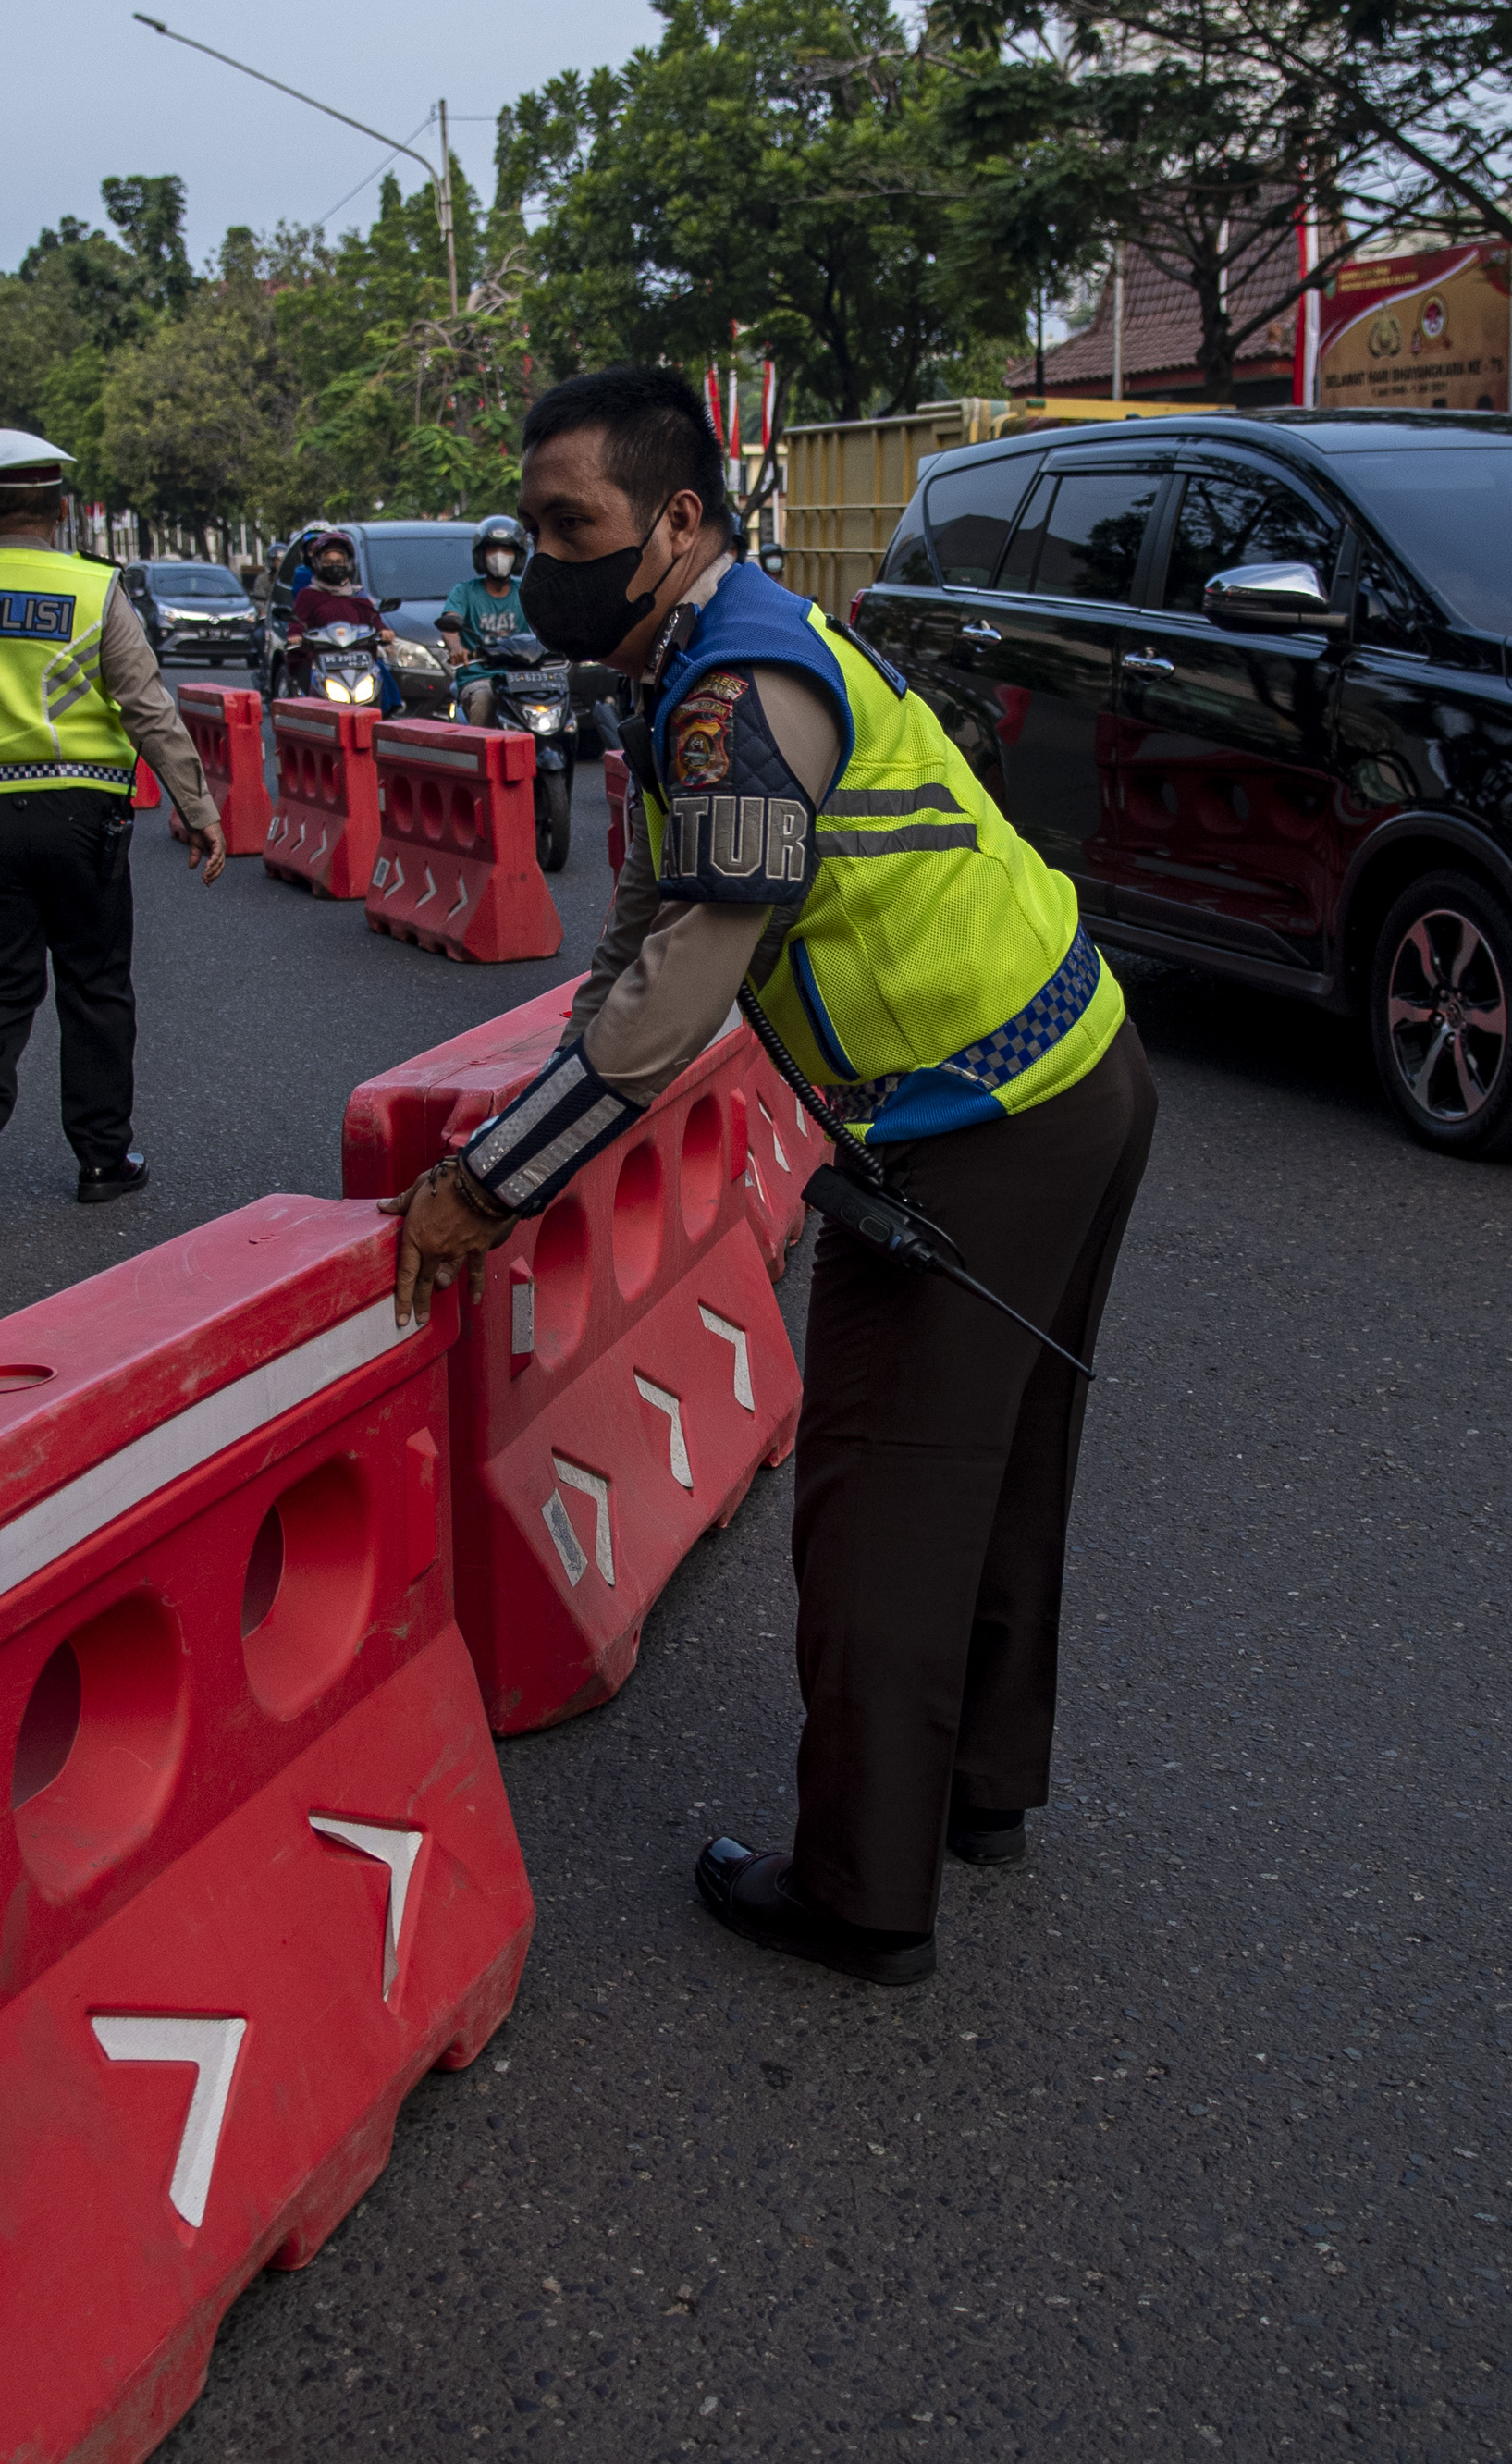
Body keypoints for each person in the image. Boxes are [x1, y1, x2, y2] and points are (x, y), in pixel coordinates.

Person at [382, 364, 1159, 1988]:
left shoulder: (736, 686)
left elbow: (677, 1001)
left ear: (677, 518)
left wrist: (486, 1185)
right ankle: (979, 1790)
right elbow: (639, 942)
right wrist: (548, 1088)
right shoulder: (698, 661)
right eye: (527, 531)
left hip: (984, 1119)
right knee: (1000, 1462)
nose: (542, 560)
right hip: (1068, 1065)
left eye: (570, 523)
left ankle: (864, 1887)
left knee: (876, 1501)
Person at [0, 426, 225, 1239]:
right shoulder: (93, 590)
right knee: (95, 986)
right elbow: (148, 706)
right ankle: (104, 1162)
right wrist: (199, 807)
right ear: (61, 509)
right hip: (85, 813)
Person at [284, 531, 400, 711]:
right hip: (321, 661)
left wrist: (384, 631)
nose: (334, 566)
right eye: (328, 562)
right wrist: (296, 636)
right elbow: (298, 622)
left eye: (339, 562)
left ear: (348, 563)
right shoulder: (308, 595)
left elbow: (374, 618)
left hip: (358, 661)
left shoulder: (358, 595)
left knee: (382, 681)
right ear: (317, 564)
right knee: (305, 693)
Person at [439, 512, 536, 725]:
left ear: (517, 555)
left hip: (523, 677)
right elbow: (450, 624)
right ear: (481, 555)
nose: (499, 556)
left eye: (506, 549)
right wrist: (456, 648)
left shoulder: (527, 592)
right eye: (493, 549)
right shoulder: (464, 592)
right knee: (484, 698)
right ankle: (481, 755)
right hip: (479, 676)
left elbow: (548, 624)